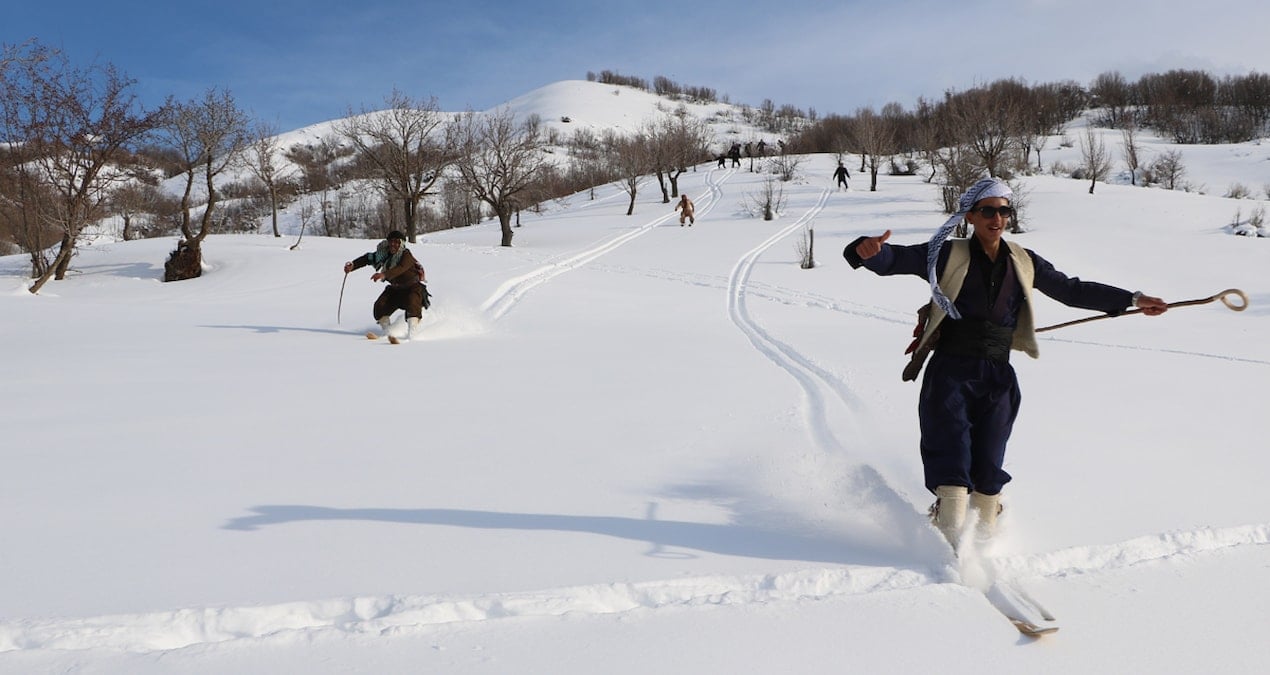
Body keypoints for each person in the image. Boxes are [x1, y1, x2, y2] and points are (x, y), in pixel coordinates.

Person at [842, 177, 1168, 548]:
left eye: (1003, 211)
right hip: (951, 370)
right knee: (950, 448)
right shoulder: (945, 253)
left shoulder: (1025, 261)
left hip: (998, 375)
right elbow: (893, 260)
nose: (996, 218)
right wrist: (867, 251)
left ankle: (985, 538)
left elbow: (1072, 290)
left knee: (989, 454)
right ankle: (948, 537)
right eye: (987, 211)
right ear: (971, 216)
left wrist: (1134, 298)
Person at [343, 230, 429, 340]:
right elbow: (367, 258)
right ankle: (389, 333)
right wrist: (353, 265)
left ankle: (413, 336)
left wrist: (384, 274)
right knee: (380, 307)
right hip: (395, 290)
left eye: (397, 242)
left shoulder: (406, 255)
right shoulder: (384, 255)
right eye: (391, 242)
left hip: (412, 288)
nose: (393, 244)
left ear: (401, 243)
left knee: (413, 306)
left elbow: (401, 268)